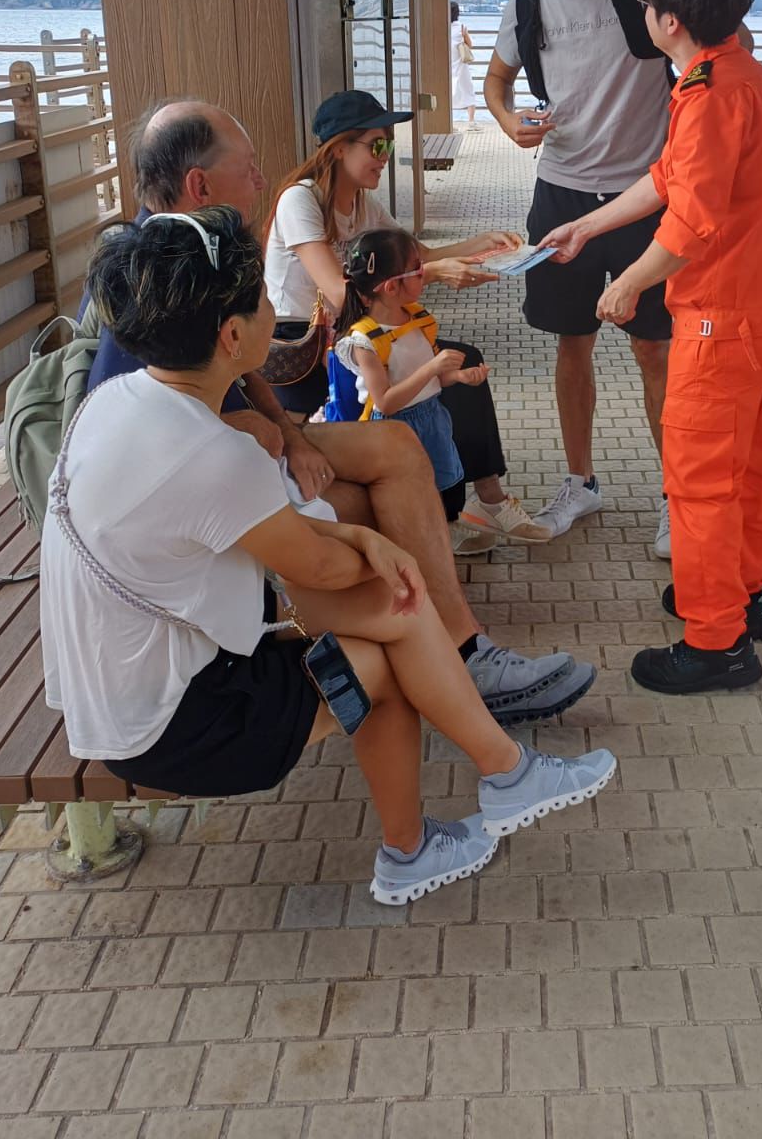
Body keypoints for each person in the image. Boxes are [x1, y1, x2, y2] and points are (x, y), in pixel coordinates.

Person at [42, 209, 615, 905]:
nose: (278, 311)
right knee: (392, 645)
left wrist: (368, 541)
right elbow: (316, 569)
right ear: (231, 337)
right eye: (262, 301)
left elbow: (283, 534)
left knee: (393, 613)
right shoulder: (214, 453)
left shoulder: (121, 399)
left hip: (125, 685)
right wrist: (384, 556)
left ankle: (498, 780)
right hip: (174, 724)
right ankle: (440, 826)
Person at [86, 98, 596, 725]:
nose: (261, 181)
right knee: (367, 503)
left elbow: (242, 367)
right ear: (199, 184)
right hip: (203, 480)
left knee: (399, 447)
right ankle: (441, 657)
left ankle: (455, 645)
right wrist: (253, 429)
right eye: (248, 168)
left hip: (257, 440)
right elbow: (134, 425)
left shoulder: (205, 245)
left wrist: (288, 435)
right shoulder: (147, 270)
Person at [541, 0, 762, 695]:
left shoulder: (709, 94)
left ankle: (716, 643)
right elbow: (668, 177)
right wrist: (587, 226)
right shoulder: (744, 74)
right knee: (745, 466)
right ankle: (739, 597)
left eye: (648, 3)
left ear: (668, 21)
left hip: (721, 322)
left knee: (699, 480)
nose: (645, 13)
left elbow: (690, 223)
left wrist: (627, 284)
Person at [483, 0, 677, 555]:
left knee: (656, 348)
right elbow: (497, 80)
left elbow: (710, 46)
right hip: (561, 191)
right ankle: (580, 482)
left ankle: (676, 497)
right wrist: (507, 121)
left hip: (647, 193)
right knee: (573, 341)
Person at [263, 89, 551, 549]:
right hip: (305, 343)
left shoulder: (363, 204)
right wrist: (433, 273)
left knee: (457, 362)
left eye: (389, 144)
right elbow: (340, 294)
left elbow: (421, 255)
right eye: (376, 145)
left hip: (356, 335)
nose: (385, 155)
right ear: (338, 148)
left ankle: (484, 502)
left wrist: (482, 245)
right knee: (435, 371)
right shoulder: (300, 201)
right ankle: (444, 514)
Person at [331, 227, 548, 538]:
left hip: (432, 418)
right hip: (393, 431)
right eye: (418, 270)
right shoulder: (365, 341)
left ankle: (443, 533)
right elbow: (385, 403)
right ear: (391, 287)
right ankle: (414, 545)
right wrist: (432, 367)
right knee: (406, 494)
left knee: (443, 485)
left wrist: (457, 377)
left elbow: (430, 381)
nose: (426, 274)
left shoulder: (418, 318)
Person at [450, 1, 477, 129]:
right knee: (468, 91)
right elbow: (469, 45)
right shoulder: (461, 27)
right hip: (461, 65)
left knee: (448, 94)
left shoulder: (441, 27)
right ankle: (471, 122)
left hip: (447, 65)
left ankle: (449, 123)